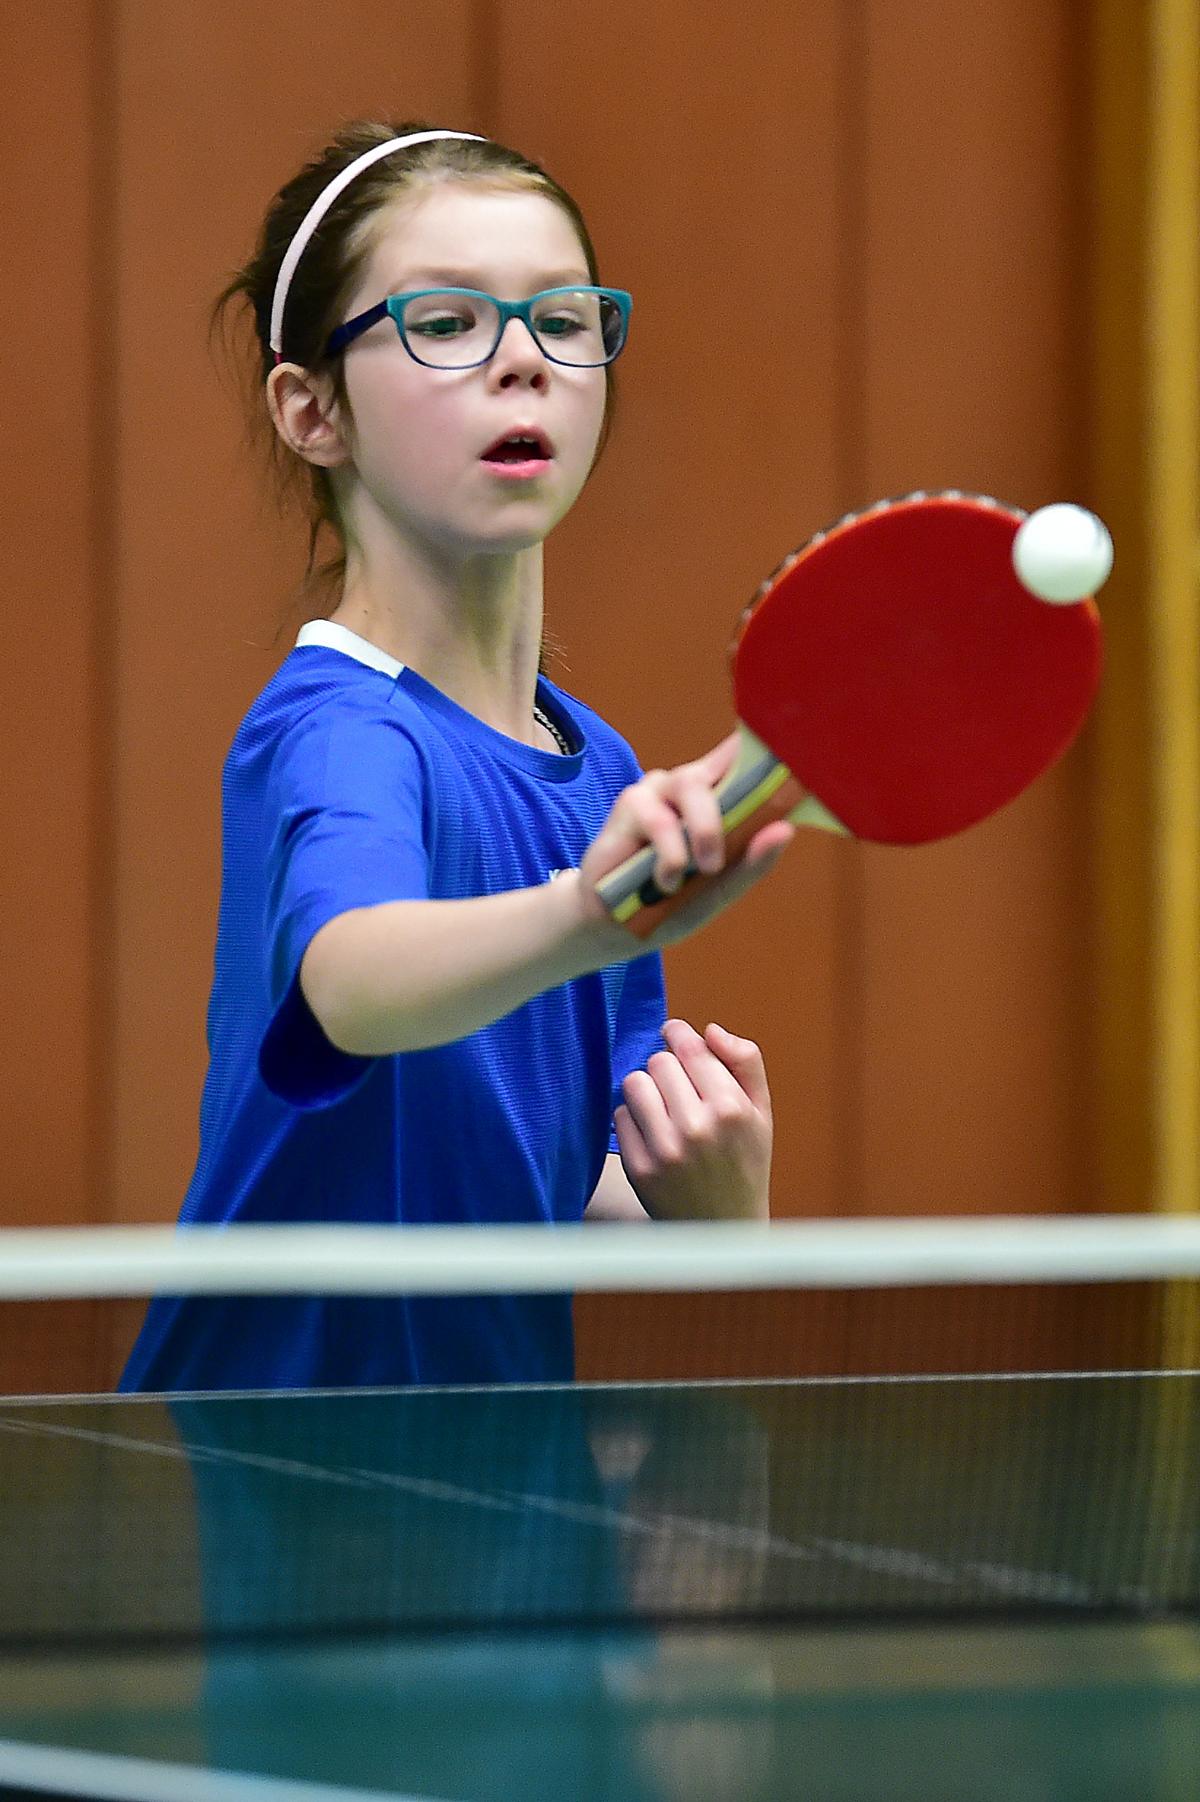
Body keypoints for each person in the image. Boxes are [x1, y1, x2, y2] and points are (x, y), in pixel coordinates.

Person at [120, 120, 795, 1394]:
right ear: (312, 410)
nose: (523, 360)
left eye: (564, 318)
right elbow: (353, 980)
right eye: (444, 322)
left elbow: (560, 1169)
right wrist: (585, 914)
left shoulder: (595, 764)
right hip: (294, 1455)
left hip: (495, 1449)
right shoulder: (341, 730)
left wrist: (711, 1210)